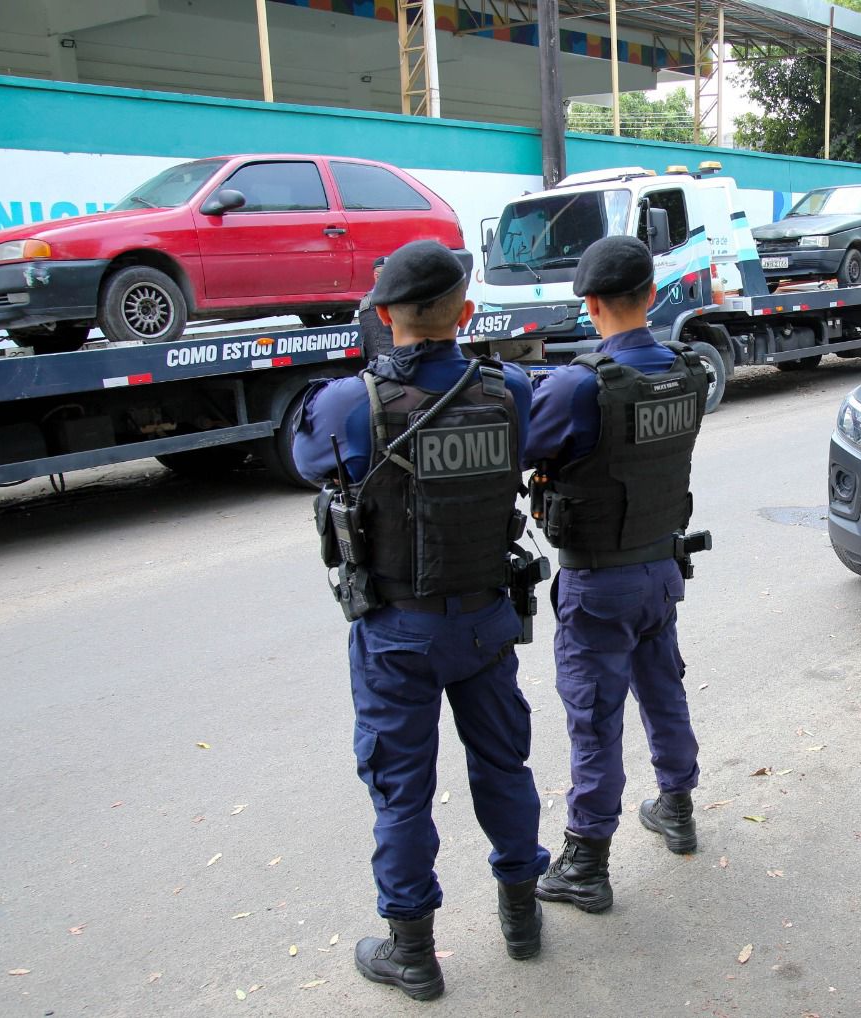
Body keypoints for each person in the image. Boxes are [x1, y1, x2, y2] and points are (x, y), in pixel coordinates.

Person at [291, 240, 548, 1001]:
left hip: (398, 631)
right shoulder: (512, 390)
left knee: (401, 790)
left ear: (380, 316)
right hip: (485, 620)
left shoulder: (350, 403)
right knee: (504, 767)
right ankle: (523, 922)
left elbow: (313, 461)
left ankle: (413, 955)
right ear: (466, 314)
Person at [524, 236, 710, 914]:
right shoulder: (687, 370)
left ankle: (587, 863)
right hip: (661, 568)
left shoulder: (581, 385)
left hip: (599, 581)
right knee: (662, 687)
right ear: (653, 297)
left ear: (591, 304)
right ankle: (678, 807)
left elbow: (523, 444)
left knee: (595, 716)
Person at [356, 256, 394, 361]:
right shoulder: (386, 298)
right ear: (377, 276)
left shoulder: (366, 299)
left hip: (378, 363)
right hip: (390, 362)